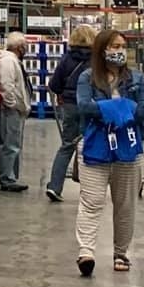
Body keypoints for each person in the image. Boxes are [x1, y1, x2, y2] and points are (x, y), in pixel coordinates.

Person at [75, 26, 144, 278]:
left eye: (123, 47)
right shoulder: (87, 77)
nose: (120, 51)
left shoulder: (137, 79)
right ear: (102, 50)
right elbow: (84, 107)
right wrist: (121, 108)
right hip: (95, 147)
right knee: (91, 202)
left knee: (125, 205)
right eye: (114, 47)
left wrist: (109, 109)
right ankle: (86, 252)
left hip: (128, 149)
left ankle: (121, 252)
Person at [45, 23, 96, 203]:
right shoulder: (97, 60)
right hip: (90, 107)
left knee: (67, 145)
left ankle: (54, 186)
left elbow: (54, 85)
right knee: (90, 146)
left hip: (70, 107)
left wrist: (62, 94)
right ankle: (89, 190)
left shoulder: (66, 59)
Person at [0, 31, 32, 191]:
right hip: (11, 110)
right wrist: (13, 104)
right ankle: (7, 179)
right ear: (18, 47)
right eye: (24, 46)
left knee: (14, 144)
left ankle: (11, 177)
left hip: (16, 110)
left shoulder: (12, 60)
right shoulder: (8, 62)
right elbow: (6, 86)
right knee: (10, 145)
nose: (26, 49)